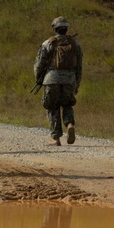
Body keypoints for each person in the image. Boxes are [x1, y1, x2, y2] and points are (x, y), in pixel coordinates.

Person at [33, 16, 83, 146]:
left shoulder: (48, 43)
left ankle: (56, 138)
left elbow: (39, 64)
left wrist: (38, 78)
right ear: (66, 28)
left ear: (55, 28)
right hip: (70, 79)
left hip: (51, 79)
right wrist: (76, 83)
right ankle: (70, 124)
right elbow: (79, 67)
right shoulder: (75, 44)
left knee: (52, 106)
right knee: (67, 104)